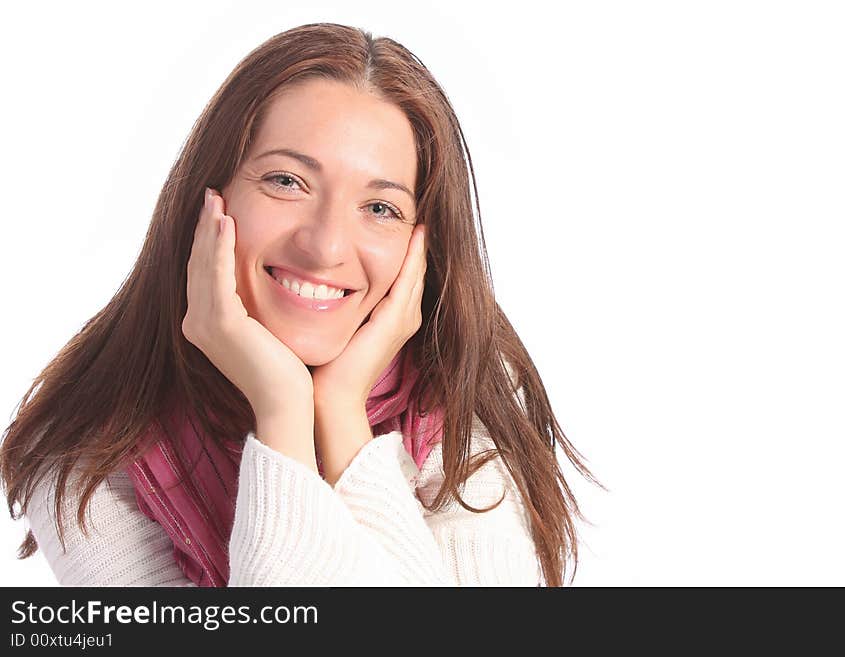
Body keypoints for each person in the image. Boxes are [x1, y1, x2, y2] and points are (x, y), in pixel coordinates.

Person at [0, 22, 602, 587]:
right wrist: (284, 411)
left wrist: (340, 413)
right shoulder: (88, 457)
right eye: (287, 181)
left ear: (422, 245)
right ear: (208, 196)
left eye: (380, 208)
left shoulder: (465, 414)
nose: (325, 247)